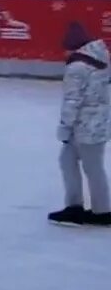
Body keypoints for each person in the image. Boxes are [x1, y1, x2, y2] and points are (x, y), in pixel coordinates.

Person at [51, 21, 111, 226]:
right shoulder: (101, 58)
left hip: (84, 126)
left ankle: (102, 211)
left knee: (91, 167)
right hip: (98, 124)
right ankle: (75, 207)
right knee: (69, 162)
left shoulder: (77, 67)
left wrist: (64, 127)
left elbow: (72, 100)